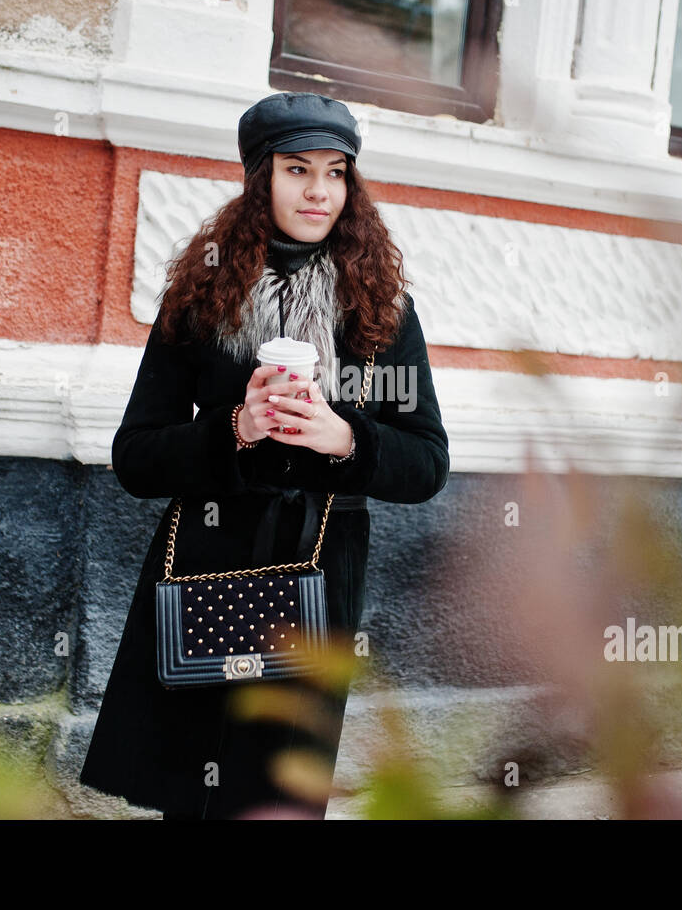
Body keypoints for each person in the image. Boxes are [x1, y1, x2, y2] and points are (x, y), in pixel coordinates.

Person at [78, 91, 450, 819]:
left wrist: (344, 437)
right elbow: (135, 456)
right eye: (297, 169)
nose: (319, 191)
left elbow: (429, 462)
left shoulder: (381, 312)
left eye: (336, 172)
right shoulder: (199, 297)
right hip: (208, 559)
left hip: (319, 567)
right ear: (260, 179)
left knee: (277, 794)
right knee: (194, 784)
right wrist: (236, 429)